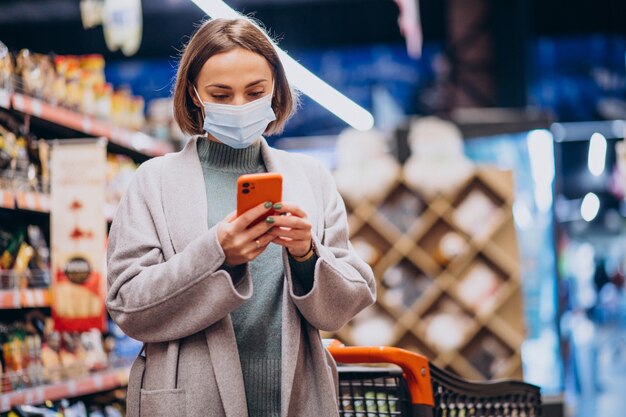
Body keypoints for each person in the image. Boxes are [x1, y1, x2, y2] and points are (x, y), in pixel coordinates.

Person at [106, 17, 376, 417]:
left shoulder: (310, 179)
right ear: (195, 95)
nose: (240, 107)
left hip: (297, 397)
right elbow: (128, 307)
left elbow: (343, 306)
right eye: (221, 93)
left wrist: (307, 256)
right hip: (189, 400)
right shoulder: (153, 182)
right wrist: (217, 254)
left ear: (275, 92)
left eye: (255, 92)